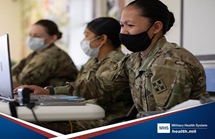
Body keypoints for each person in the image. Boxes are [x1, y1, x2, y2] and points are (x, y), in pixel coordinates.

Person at [78, 0, 209, 116]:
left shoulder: (171, 63)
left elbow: (165, 121)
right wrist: (59, 91)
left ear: (156, 27)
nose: (123, 32)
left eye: (130, 25)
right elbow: (100, 84)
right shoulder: (136, 59)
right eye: (122, 25)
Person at [14, 17, 133, 133]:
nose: (83, 40)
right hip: (84, 112)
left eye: (87, 35)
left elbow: (95, 95)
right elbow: (77, 88)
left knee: (35, 124)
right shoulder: (93, 61)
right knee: (32, 120)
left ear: (102, 39)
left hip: (105, 118)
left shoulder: (116, 62)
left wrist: (50, 93)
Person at [0, 19, 78, 90]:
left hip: (57, 101)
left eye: (36, 36)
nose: (31, 39)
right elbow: (10, 75)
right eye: (30, 35)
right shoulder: (37, 53)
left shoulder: (49, 56)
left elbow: (20, 83)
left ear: (52, 38)